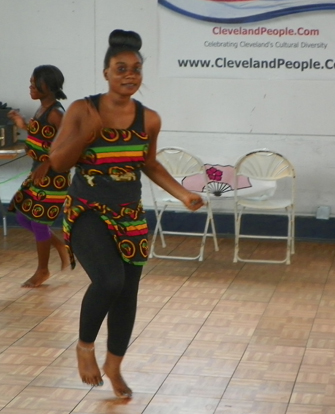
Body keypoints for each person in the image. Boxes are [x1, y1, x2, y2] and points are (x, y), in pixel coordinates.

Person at [49, 29, 203, 399]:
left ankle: (114, 366)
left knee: (128, 292)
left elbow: (148, 164)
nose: (129, 75)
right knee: (109, 281)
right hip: (86, 209)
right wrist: (85, 136)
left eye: (135, 69)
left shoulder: (148, 119)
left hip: (129, 214)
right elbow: (56, 163)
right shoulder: (82, 109)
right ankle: (85, 347)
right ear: (106, 73)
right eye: (121, 68)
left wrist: (183, 194)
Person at [8, 65, 70, 288]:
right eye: (31, 83)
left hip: (54, 176)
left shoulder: (57, 113)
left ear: (48, 86)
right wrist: (21, 124)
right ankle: (60, 246)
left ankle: (42, 271)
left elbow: (69, 145)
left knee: (39, 221)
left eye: (35, 83)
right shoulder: (42, 109)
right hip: (38, 171)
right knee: (24, 217)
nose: (31, 87)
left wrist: (48, 163)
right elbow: (41, 135)